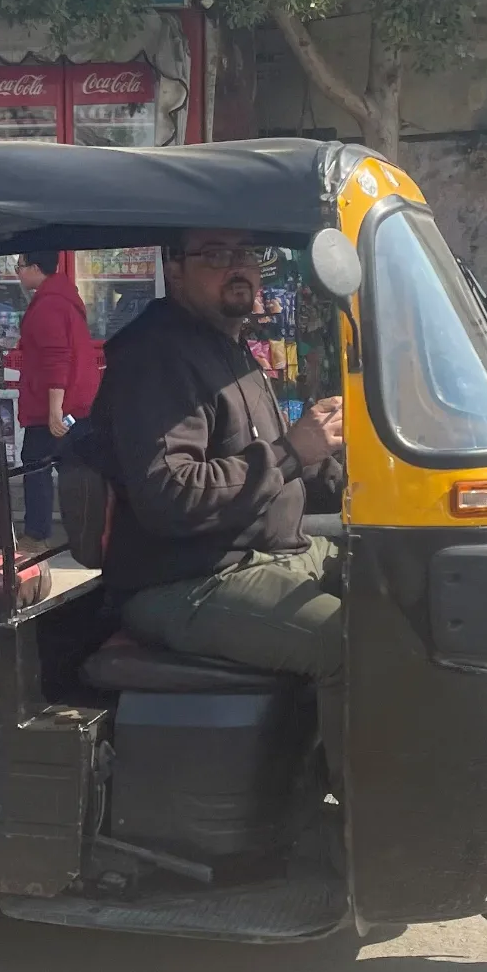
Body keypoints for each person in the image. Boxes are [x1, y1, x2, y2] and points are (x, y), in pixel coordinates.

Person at [87, 229, 348, 762]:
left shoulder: (229, 348)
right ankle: (371, 827)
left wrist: (354, 472)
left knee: (397, 583)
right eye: (217, 255)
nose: (239, 268)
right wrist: (293, 452)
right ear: (175, 268)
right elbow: (171, 493)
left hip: (269, 554)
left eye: (248, 254)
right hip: (187, 577)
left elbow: (278, 467)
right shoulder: (158, 357)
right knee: (353, 643)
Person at [8, 250, 101, 540]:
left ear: (36, 267)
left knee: (36, 462)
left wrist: (54, 411)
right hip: (79, 404)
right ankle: (89, 532)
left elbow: (56, 359)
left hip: (54, 407)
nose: (17, 272)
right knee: (74, 465)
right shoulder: (66, 299)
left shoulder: (47, 306)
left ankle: (36, 534)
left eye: (20, 266)